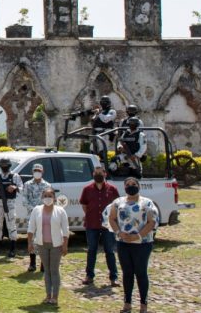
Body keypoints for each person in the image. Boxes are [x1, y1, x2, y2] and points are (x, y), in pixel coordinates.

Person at [107, 177, 158, 313]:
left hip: (142, 243)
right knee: (127, 273)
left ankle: (143, 304)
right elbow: (111, 218)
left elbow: (151, 222)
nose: (131, 186)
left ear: (138, 186)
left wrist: (138, 235)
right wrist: (119, 232)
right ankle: (127, 302)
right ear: (124, 187)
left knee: (141, 272)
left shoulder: (147, 203)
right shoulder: (118, 202)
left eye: (134, 184)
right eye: (128, 184)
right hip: (123, 242)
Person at [79, 163, 120, 287]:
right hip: (92, 224)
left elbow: (116, 205)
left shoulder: (112, 189)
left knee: (110, 251)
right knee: (92, 250)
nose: (99, 175)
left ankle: (114, 277)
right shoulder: (87, 189)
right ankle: (89, 275)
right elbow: (84, 205)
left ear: (105, 174)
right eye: (96, 173)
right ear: (93, 175)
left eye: (101, 173)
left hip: (108, 225)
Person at [27, 188, 70, 306]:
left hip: (56, 245)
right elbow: (31, 227)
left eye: (50, 196)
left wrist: (65, 245)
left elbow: (65, 230)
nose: (47, 198)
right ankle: (48, 295)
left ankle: (55, 296)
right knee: (46, 270)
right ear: (42, 198)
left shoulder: (60, 211)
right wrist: (30, 242)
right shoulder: (37, 210)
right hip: (42, 244)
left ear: (54, 198)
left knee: (54, 270)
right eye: (45, 196)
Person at [0, 157, 23, 257]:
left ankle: (12, 248)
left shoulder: (14, 176)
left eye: (6, 166)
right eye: (2, 166)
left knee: (11, 224)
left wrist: (14, 187)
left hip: (10, 203)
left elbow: (21, 187)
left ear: (9, 166)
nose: (4, 167)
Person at [22, 163, 52, 272]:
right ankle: (32, 263)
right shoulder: (27, 184)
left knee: (44, 239)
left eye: (39, 170)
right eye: (35, 170)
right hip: (32, 215)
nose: (37, 172)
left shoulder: (47, 185)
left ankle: (44, 263)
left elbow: (50, 199)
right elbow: (24, 200)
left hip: (44, 215)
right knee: (32, 238)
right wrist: (34, 209)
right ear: (32, 172)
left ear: (42, 172)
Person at [92, 95, 118, 162]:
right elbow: (93, 119)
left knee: (102, 153)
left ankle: (104, 167)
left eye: (105, 102)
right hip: (96, 134)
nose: (103, 104)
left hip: (105, 134)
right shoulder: (101, 112)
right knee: (92, 151)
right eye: (102, 102)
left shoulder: (112, 111)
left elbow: (106, 119)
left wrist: (99, 113)